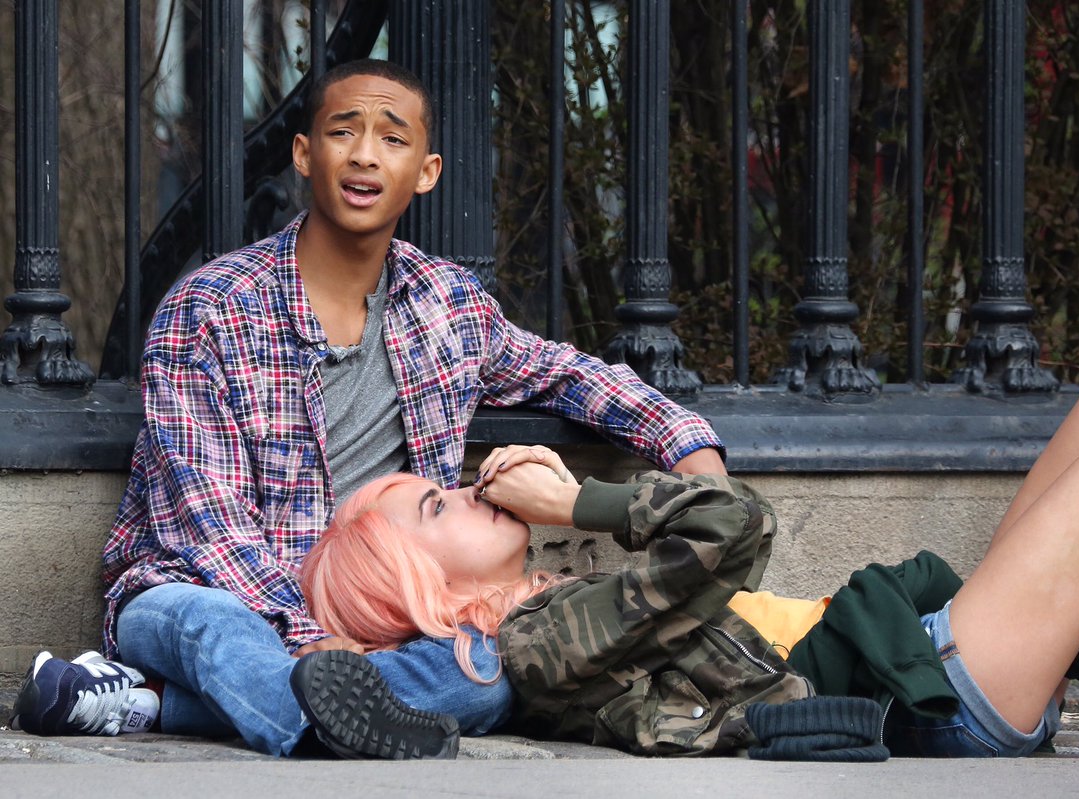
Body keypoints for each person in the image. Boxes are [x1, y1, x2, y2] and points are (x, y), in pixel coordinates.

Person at [9, 58, 724, 760]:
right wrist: (316, 635)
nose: (364, 156)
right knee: (213, 629)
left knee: (486, 670)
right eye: (342, 131)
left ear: (426, 170)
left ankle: (155, 704)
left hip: (386, 612)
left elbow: (566, 373)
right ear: (303, 154)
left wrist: (688, 446)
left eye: (392, 137)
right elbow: (211, 530)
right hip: (200, 589)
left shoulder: (448, 305)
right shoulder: (210, 311)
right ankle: (321, 715)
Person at [300, 348, 1079, 758]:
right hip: (937, 694)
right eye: (437, 503)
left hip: (925, 647)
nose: (465, 485)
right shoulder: (536, 646)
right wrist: (580, 497)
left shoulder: (552, 601)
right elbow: (738, 525)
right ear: (428, 586)